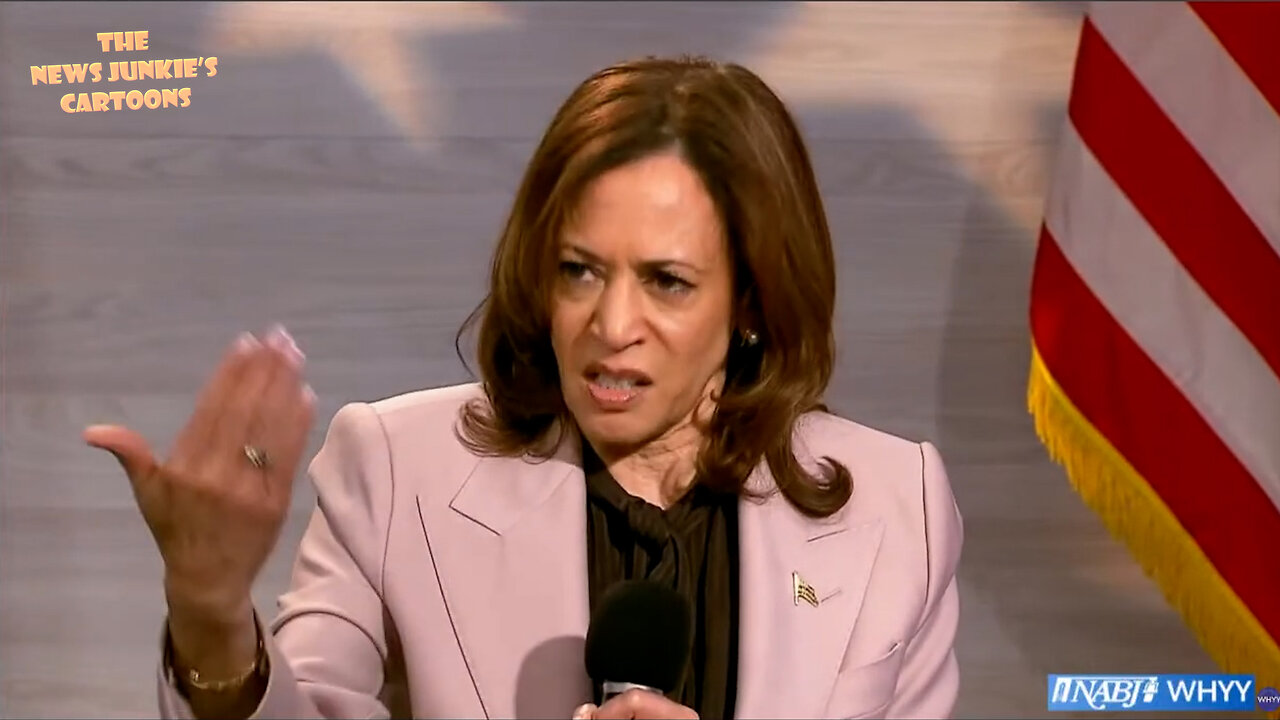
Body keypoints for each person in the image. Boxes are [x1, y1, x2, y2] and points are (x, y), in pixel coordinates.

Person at [85, 55, 963, 720]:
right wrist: (210, 615)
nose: (611, 323)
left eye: (666, 281)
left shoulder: (899, 509)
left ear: (752, 303)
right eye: (580, 270)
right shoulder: (397, 470)